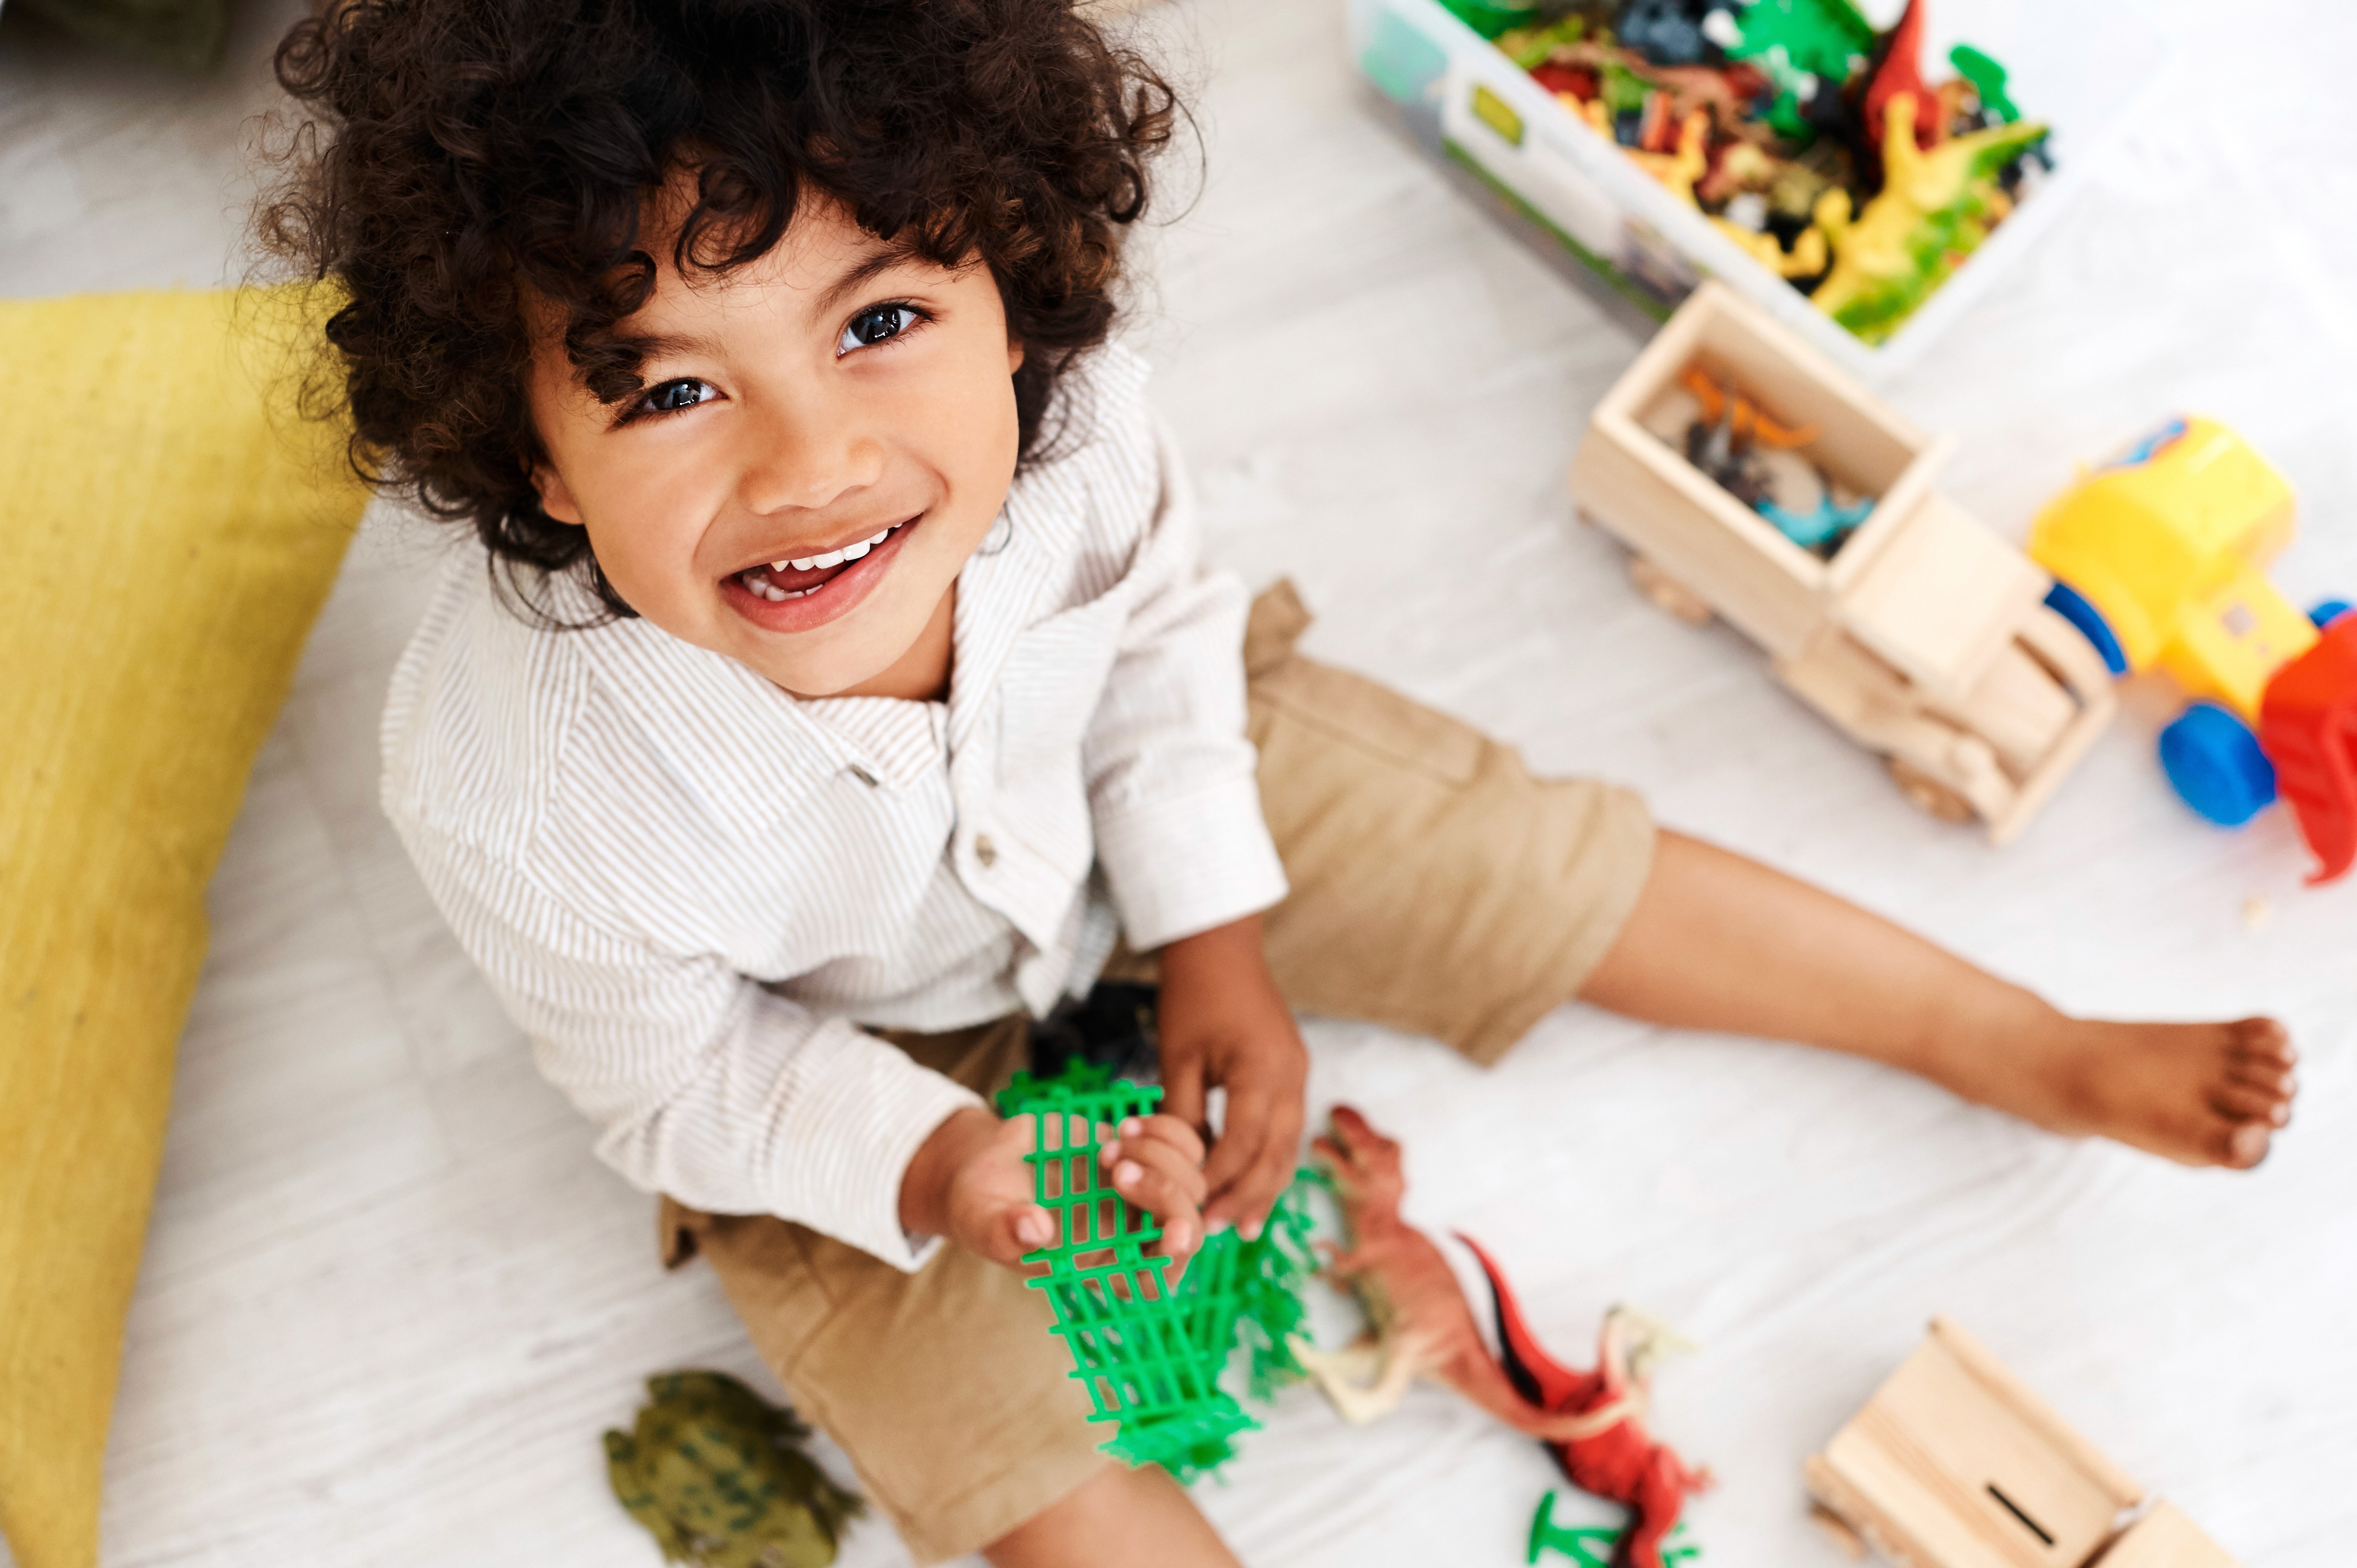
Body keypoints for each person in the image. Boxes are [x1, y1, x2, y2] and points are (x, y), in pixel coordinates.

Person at [258, 2, 2297, 1564]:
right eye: (675, 387)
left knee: (1501, 847)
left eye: (883, 319)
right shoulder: (509, 777)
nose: (805, 464)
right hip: (840, 1062)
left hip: (1133, 781)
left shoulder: (1082, 433)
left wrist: (1217, 935)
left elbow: (1156, 647)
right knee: (1010, 1456)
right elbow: (677, 1080)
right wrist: (941, 1171)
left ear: (1020, 305)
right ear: (533, 456)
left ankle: (2011, 1035)